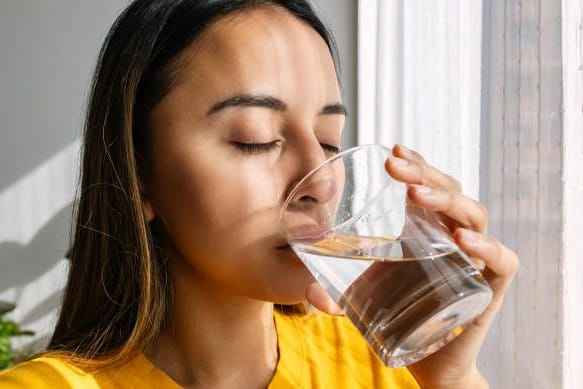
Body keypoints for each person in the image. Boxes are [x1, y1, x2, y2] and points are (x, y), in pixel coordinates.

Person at [0, 0, 519, 388]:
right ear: (138, 174)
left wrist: (452, 380)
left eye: (329, 140)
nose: (321, 178)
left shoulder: (374, 365)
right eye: (257, 139)